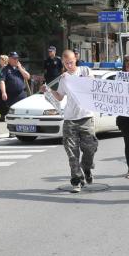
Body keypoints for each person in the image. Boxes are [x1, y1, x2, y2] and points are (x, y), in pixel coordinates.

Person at [40, 50, 98, 193]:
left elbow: (93, 85)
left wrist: (85, 79)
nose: (69, 65)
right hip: (70, 119)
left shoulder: (85, 71)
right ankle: (77, 180)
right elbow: (59, 97)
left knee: (90, 148)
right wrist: (48, 90)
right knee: (72, 153)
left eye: (71, 62)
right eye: (66, 64)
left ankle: (87, 167)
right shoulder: (64, 78)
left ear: (75, 59)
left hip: (86, 117)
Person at [0, 55, 9, 122]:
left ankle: (6, 115)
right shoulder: (0, 68)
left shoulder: (6, 68)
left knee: (4, 102)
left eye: (0, 59)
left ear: (4, 60)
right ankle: (2, 116)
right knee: (1, 102)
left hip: (4, 88)